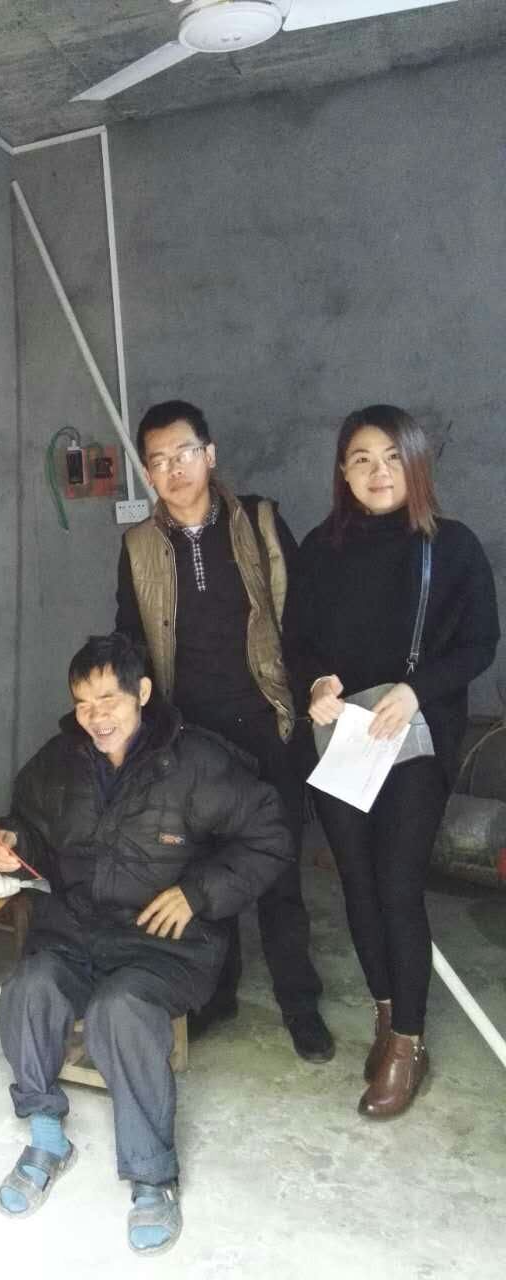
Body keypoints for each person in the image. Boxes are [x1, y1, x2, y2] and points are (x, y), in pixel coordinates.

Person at [0, 632, 294, 1257]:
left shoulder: (195, 761)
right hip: (76, 929)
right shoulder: (58, 761)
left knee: (119, 1011)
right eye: (83, 703)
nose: (95, 717)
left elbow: (270, 837)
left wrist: (197, 894)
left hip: (165, 944)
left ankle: (153, 1177)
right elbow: (33, 832)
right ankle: (46, 1136)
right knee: (26, 988)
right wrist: (12, 845)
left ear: (142, 693)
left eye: (109, 699)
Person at [284, 404, 499, 1118]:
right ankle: (386, 1010)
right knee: (358, 881)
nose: (378, 472)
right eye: (361, 459)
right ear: (343, 472)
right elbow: (297, 640)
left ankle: (408, 1041)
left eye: (391, 457)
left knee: (399, 883)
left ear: (416, 463)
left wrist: (416, 689)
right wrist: (317, 684)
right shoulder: (321, 549)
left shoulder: (451, 546)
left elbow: (480, 644)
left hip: (414, 734)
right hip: (343, 736)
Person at [115, 400, 333, 1062]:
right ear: (148, 473)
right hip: (192, 735)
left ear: (209, 455)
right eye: (158, 460)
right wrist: (128, 718)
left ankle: (299, 1001)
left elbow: (302, 616)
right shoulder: (138, 546)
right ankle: (218, 994)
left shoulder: (259, 521)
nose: (174, 469)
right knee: (207, 867)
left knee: (278, 866)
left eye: (185, 453)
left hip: (267, 721)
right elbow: (130, 638)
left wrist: (313, 687)